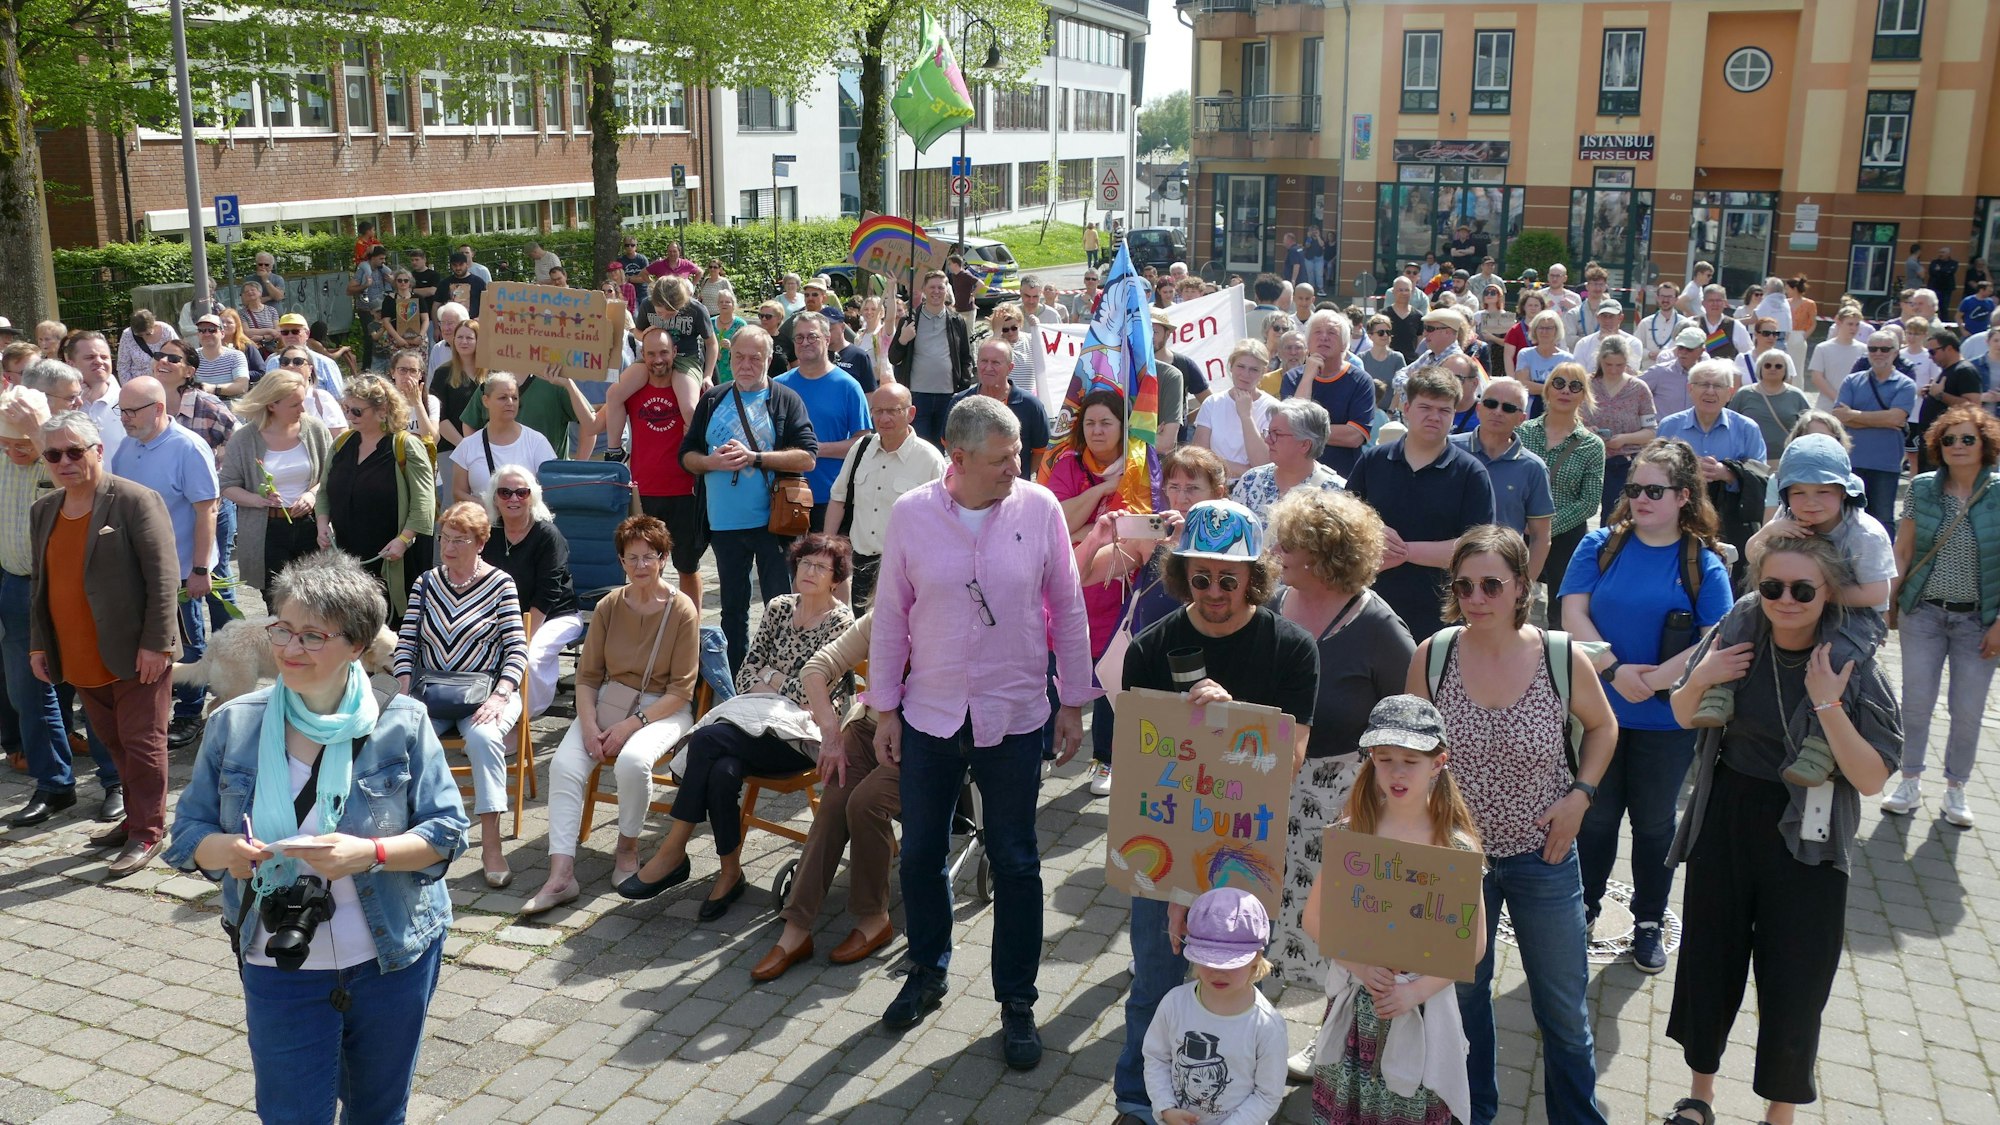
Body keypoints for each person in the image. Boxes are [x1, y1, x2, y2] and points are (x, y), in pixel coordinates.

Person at [163, 550, 467, 1122]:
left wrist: (369, 854)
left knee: (376, 1113)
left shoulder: (401, 722)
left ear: (355, 644)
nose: (288, 649)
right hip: (277, 961)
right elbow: (186, 834)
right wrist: (223, 851)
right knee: (290, 1114)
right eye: (282, 629)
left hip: (389, 961)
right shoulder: (236, 723)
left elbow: (448, 832)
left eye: (311, 636)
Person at [867, 394, 1092, 1068]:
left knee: (1017, 860)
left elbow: (1069, 606)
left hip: (1017, 711)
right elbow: (889, 618)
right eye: (1002, 458)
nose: (1015, 468)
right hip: (931, 712)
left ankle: (1016, 999)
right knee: (920, 854)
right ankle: (928, 967)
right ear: (957, 458)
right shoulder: (912, 516)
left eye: (1019, 453)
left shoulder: (1039, 508)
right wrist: (883, 708)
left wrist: (1073, 701)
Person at [1662, 535, 1899, 1125]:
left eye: (1801, 590)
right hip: (1730, 812)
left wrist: (1828, 708)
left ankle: (1780, 1113)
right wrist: (1700, 677)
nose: (1785, 600)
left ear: (1828, 594)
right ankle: (1700, 1095)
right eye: (1772, 587)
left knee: (1796, 976)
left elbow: (1871, 778)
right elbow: (1681, 712)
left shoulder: (1850, 662)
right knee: (1710, 958)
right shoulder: (1738, 635)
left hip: (1809, 832)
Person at [1109, 496, 1317, 1120]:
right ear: (1181, 575)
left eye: (1230, 577)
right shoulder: (1150, 647)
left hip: (1246, 850)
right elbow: (1141, 761)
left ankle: (1236, 1104)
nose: (1215, 591)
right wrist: (1175, 883)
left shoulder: (1292, 648)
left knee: (1235, 985)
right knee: (1154, 981)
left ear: (1256, 577)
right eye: (1200, 577)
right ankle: (1139, 1103)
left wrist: (1227, 725)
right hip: (1162, 849)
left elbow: (1294, 756)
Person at [1408, 525, 1617, 1125]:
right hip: (1456, 860)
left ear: (1521, 586)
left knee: (1563, 1010)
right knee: (1463, 1003)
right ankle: (1474, 1114)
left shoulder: (1560, 655)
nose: (1477, 597)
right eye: (1465, 585)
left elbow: (1603, 729)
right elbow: (1408, 750)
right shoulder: (1435, 654)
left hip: (1542, 855)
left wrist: (1580, 796)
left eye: (1492, 584)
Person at [1560, 440, 1733, 972]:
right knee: (1595, 818)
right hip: (1600, 713)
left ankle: (1648, 921)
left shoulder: (1702, 562)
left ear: (1684, 496)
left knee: (1656, 824)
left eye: (1653, 490)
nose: (1639, 499)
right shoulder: (1598, 545)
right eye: (1634, 489)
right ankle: (1581, 911)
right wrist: (1615, 670)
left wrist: (1656, 678)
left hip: (1667, 717)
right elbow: (1572, 616)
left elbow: (1717, 637)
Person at [620, 533, 855, 920]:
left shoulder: (840, 622)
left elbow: (811, 693)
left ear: (835, 578)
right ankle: (730, 873)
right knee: (723, 771)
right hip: (751, 721)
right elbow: (745, 673)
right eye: (805, 563)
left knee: (708, 738)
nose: (809, 572)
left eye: (821, 567)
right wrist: (778, 680)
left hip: (799, 737)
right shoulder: (779, 607)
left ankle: (673, 851)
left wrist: (773, 679)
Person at [1300, 695, 1482, 1125]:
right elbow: (1313, 918)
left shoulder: (1455, 849)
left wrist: (1414, 992)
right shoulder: (1353, 834)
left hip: (1420, 1010)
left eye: (1411, 761)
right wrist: (1359, 965)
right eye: (1385, 760)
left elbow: (1471, 947)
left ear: (1439, 762)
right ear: (1371, 760)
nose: (1397, 773)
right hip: (1356, 1010)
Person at [1263, 490, 1413, 993]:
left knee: (1336, 921)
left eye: (1288, 545)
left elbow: (1410, 720)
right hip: (1266, 783)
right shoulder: (1274, 602)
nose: (1276, 553)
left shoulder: (1378, 628)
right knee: (1265, 909)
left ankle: (1331, 1033)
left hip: (1340, 798)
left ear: (1323, 555)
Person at [29, 411, 181, 876]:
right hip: (77, 652)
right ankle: (133, 819)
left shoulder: (135, 500)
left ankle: (148, 831)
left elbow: (163, 577)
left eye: (75, 450)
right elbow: (42, 582)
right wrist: (40, 645)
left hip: (136, 652)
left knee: (143, 742)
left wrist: (158, 644)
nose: (65, 461)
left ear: (98, 450)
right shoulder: (44, 510)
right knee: (113, 741)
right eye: (54, 454)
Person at [523, 516, 700, 915]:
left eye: (649, 557)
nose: (640, 566)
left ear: (664, 558)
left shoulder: (682, 609)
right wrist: (588, 726)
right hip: (609, 700)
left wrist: (629, 726)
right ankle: (561, 873)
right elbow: (586, 678)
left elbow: (681, 691)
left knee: (633, 763)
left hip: (664, 709)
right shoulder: (607, 606)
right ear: (620, 561)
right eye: (631, 557)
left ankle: (627, 847)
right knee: (566, 765)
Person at [750, 610, 900, 980]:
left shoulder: (948, 616)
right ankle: (796, 930)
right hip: (868, 730)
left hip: (923, 741)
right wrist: (831, 734)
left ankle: (873, 917)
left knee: (865, 803)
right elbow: (816, 668)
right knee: (833, 802)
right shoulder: (888, 612)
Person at [0, 389, 121, 828]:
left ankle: (115, 781)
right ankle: (53, 783)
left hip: (73, 589)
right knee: (27, 691)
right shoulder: (7, 455)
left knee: (92, 685)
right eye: (5, 442)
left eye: (22, 444)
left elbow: (89, 495)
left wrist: (39, 434)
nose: (14, 450)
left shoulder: (59, 458)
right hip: (16, 586)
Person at [393, 502, 527, 887]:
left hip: (485, 690)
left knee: (483, 738)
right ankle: (414, 836)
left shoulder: (501, 584)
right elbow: (406, 643)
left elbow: (517, 649)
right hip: (431, 691)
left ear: (480, 542)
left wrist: (500, 696)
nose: (448, 548)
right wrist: (404, 690)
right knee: (402, 737)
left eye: (459, 540)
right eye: (444, 538)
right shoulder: (426, 582)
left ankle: (490, 846)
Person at [1883, 405, 2000, 824]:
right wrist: (1889, 603)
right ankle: (1909, 780)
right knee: (1915, 703)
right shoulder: (1923, 488)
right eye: (1949, 440)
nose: (1957, 446)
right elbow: (1903, 550)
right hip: (1925, 614)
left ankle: (1956, 788)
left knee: (1967, 710)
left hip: (1979, 620)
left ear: (1984, 443)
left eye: (1967, 438)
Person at [682, 325, 819, 673]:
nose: (746, 365)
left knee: (779, 604)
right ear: (729, 359)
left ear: (769, 360)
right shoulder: (713, 399)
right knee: (732, 608)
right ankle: (736, 681)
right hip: (723, 523)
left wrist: (756, 458)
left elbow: (808, 458)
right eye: (739, 357)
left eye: (755, 359)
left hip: (772, 525)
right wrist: (711, 463)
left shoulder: (785, 399)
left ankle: (777, 676)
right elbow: (686, 457)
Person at [1346, 366, 1497, 640]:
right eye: (1426, 407)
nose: (1434, 417)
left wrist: (1403, 552)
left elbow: (1476, 550)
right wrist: (1373, 535)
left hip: (1440, 615)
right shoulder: (1373, 462)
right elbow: (1342, 526)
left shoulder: (1471, 474)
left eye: (1444, 410)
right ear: (1406, 407)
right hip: (1366, 607)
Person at [110, 375, 218, 750]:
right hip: (138, 571)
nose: (124, 418)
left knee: (187, 641)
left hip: (182, 571)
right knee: (153, 641)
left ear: (158, 409)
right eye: (120, 410)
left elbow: (207, 510)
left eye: (131, 411)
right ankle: (157, 702)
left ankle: (190, 712)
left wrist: (200, 570)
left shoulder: (188, 448)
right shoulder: (127, 447)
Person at [1140, 887, 1289, 1125]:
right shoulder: (1174, 1004)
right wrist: (1165, 1107)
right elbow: (1156, 1057)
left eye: (1231, 963)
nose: (1219, 972)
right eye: (1208, 960)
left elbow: (1267, 1095)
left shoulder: (1267, 1026)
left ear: (1256, 959)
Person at [317, 375, 437, 625]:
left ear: (383, 410)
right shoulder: (341, 444)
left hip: (393, 557)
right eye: (346, 408)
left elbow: (424, 504)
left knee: (393, 630)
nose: (350, 416)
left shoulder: (405, 445)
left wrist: (403, 540)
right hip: (347, 555)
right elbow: (324, 492)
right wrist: (322, 525)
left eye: (357, 410)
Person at [602, 328, 706, 607]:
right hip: (645, 490)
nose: (657, 359)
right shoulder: (631, 392)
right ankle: (648, 618)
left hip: (685, 490)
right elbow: (593, 422)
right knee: (644, 565)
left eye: (663, 352)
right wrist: (565, 382)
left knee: (687, 566)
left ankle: (691, 628)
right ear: (642, 357)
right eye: (651, 354)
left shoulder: (687, 389)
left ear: (674, 353)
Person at [219, 369, 334, 595]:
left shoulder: (316, 430)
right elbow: (227, 485)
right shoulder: (244, 438)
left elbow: (332, 475)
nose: (302, 409)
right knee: (277, 603)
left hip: (310, 527)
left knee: (316, 599)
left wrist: (311, 495)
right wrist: (257, 499)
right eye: (295, 405)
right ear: (272, 405)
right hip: (267, 532)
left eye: (303, 402)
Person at [482, 467, 581, 719]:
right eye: (505, 493)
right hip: (506, 616)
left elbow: (547, 594)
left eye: (521, 493)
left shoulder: (548, 536)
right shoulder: (488, 534)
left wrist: (521, 641)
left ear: (532, 497)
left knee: (530, 657)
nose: (513, 499)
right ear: (495, 498)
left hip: (554, 615)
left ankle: (524, 718)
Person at [1521, 362, 1607, 630]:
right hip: (1518, 531)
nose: (1565, 391)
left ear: (1584, 395)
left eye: (1575, 386)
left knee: (1562, 612)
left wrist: (1544, 526)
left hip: (1566, 535)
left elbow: (1589, 502)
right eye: (1558, 383)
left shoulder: (1592, 445)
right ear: (1547, 390)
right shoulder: (1521, 433)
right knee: (1510, 598)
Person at [1451, 376, 1554, 583]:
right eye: (1490, 404)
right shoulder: (1448, 449)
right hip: (1444, 569)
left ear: (1521, 418)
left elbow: (1541, 537)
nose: (1497, 411)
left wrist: (1524, 587)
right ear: (1479, 408)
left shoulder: (1533, 468)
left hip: (1499, 578)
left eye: (1508, 408)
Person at [776, 312, 872, 531]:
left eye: (812, 336)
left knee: (826, 563)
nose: (805, 342)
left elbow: (863, 444)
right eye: (799, 338)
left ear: (827, 340)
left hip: (831, 498)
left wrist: (813, 451)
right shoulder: (778, 387)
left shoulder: (848, 387)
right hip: (784, 495)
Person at [1833, 330, 1917, 536]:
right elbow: (1839, 416)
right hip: (1852, 462)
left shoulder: (1906, 384)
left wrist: (1855, 416)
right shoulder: (1852, 381)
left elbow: (1896, 418)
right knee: (1846, 517)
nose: (1878, 353)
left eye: (1885, 349)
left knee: (1882, 519)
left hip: (1885, 464)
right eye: (1873, 349)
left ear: (1896, 352)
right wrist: (1883, 419)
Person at [1285, 312, 1375, 477]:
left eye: (1332, 332)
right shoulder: (1292, 378)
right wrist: (1308, 377)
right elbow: (1292, 422)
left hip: (1344, 476)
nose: (1324, 337)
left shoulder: (1361, 381)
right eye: (1317, 332)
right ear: (1308, 342)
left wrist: (1304, 433)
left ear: (1344, 344)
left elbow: (1354, 436)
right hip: (1297, 474)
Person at [890, 270, 975, 445]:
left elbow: (966, 357)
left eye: (940, 287)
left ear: (946, 290)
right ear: (924, 290)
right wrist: (903, 340)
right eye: (932, 287)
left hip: (948, 395)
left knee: (943, 446)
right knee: (920, 445)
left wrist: (963, 386)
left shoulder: (956, 321)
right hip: (918, 395)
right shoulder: (910, 320)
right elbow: (893, 357)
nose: (936, 291)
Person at [1229, 398, 1343, 525]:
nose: (1267, 440)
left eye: (1276, 434)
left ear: (1305, 445)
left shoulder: (1336, 494)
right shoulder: (1251, 480)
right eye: (1269, 432)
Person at [449, 372, 557, 504]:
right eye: (503, 398)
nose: (510, 403)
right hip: (485, 522)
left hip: (525, 522)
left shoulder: (537, 442)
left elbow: (551, 489)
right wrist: (488, 506)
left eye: (515, 398)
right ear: (485, 401)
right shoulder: (467, 446)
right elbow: (458, 493)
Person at [1192, 341, 1280, 480]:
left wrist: (1246, 416)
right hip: (1216, 484)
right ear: (1231, 367)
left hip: (1256, 488)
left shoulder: (1274, 408)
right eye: (1241, 366)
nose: (1246, 374)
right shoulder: (1212, 403)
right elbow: (1199, 458)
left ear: (1263, 372)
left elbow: (1262, 465)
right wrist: (1245, 470)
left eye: (1254, 369)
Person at [1914, 327, 1984, 471]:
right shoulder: (1949, 370)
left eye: (1933, 352)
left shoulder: (1965, 370)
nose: (1930, 357)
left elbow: (1973, 406)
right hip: (1935, 442)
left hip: (1949, 443)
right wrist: (1931, 392)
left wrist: (1940, 395)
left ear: (1949, 348)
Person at [1731, 348, 1811, 460]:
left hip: (1786, 459)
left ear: (1786, 370)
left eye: (1778, 366)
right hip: (1750, 459)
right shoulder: (1743, 394)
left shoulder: (1796, 395)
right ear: (1760, 368)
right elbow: (1731, 424)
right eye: (1767, 365)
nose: (1773, 369)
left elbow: (1809, 427)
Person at [1643, 324, 1706, 424]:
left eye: (1689, 349)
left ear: (1702, 351)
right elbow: (1632, 391)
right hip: (1664, 435)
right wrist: (1646, 422)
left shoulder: (1709, 377)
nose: (1683, 352)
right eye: (1680, 348)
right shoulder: (1659, 372)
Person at [1807, 306, 1867, 410]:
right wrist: (1838, 399)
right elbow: (1817, 377)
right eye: (1850, 324)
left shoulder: (1864, 349)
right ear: (1838, 323)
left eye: (1857, 324)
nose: (1854, 328)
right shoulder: (1823, 348)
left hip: (1854, 406)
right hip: (1827, 406)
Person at [1514, 309, 1574, 411]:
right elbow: (1523, 385)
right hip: (1529, 411)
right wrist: (1554, 388)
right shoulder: (1525, 354)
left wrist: (1536, 387)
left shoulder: (1567, 359)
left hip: (1557, 410)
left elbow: (1568, 390)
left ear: (1557, 331)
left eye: (1549, 328)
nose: (1544, 332)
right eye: (1540, 327)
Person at [189, 314, 250, 398]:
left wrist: (214, 389)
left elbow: (242, 386)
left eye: (212, 330)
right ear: (198, 334)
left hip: (230, 407)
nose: (207, 334)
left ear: (222, 333)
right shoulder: (191, 356)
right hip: (200, 407)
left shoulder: (236, 356)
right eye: (202, 330)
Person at [1637, 283, 1693, 369]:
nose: (1665, 300)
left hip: (1674, 373)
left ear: (1676, 299)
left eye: (1670, 297)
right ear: (1657, 298)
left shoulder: (1685, 324)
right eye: (1662, 296)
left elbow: (1690, 350)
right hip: (1648, 372)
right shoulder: (1645, 322)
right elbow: (1636, 348)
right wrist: (1649, 354)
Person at [116, 309, 177, 386]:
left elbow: (179, 354)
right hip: (140, 386)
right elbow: (123, 366)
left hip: (166, 384)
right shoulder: (127, 335)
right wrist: (129, 389)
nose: (144, 337)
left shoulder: (167, 331)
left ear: (154, 324)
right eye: (140, 336)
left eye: (148, 334)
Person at [1502, 290, 1548, 383]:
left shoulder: (1548, 329)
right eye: (1530, 305)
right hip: (1521, 378)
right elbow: (1508, 357)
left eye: (1536, 305)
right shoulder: (1515, 330)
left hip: (1543, 377)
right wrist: (1512, 380)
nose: (1533, 308)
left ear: (1541, 307)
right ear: (1523, 307)